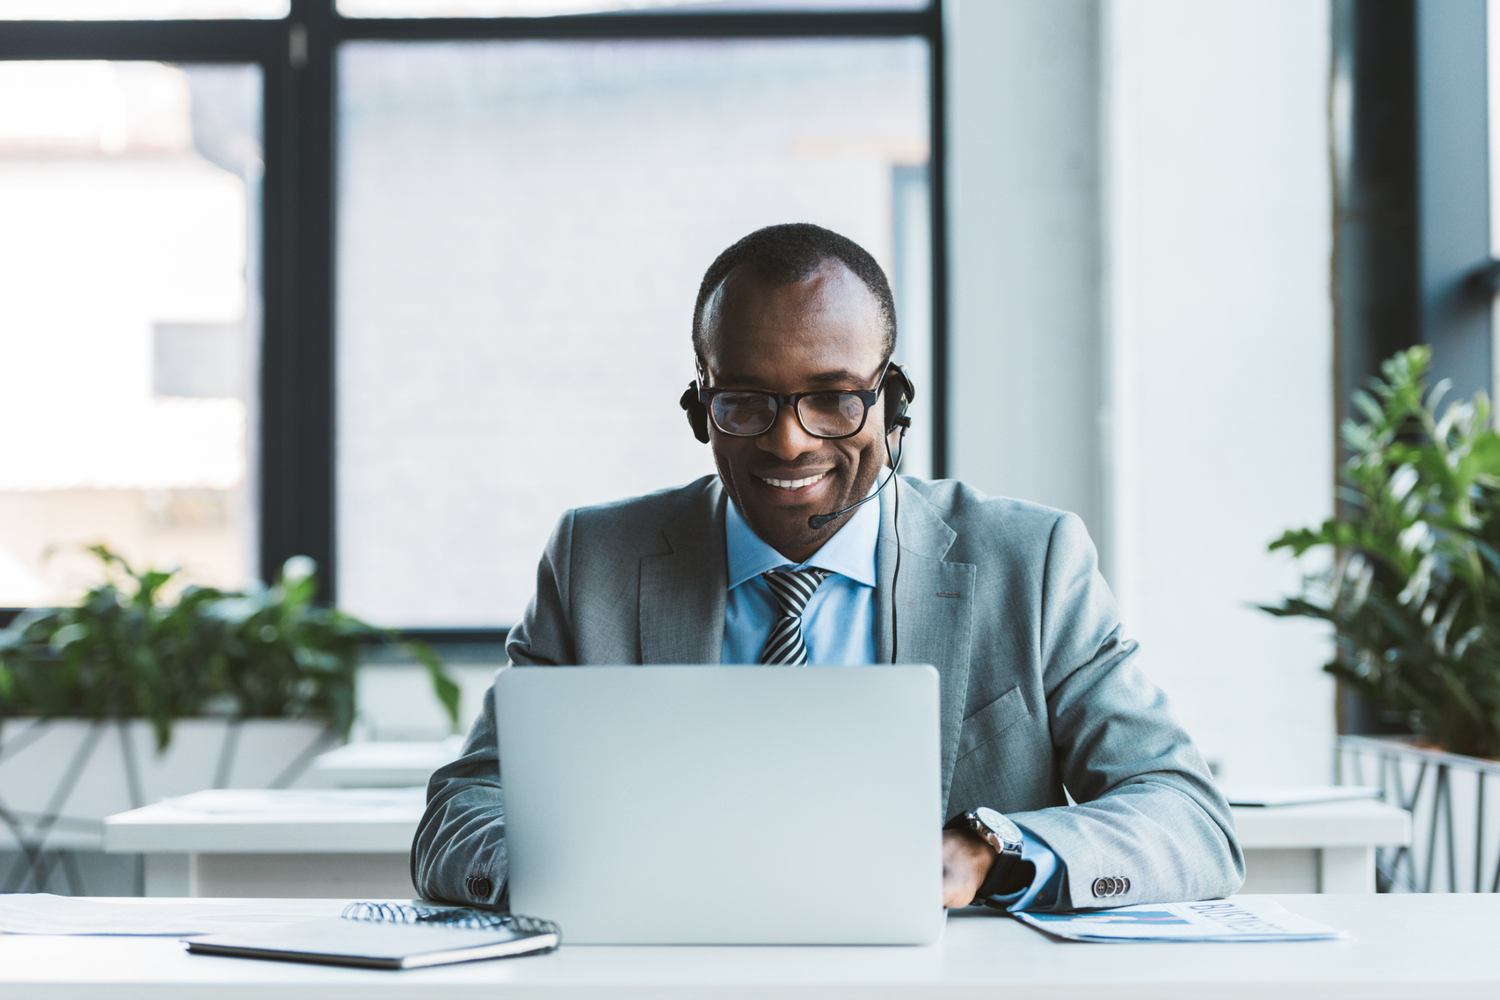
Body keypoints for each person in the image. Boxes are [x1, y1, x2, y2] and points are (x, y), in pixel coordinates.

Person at [411, 223, 1243, 912]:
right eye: (745, 401)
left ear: (894, 401)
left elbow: (1188, 819)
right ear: (701, 408)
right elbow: (461, 811)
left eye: (835, 399)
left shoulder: (1030, 562)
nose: (789, 440)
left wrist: (993, 849)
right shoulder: (594, 561)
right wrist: (572, 875)